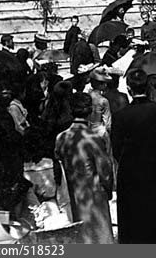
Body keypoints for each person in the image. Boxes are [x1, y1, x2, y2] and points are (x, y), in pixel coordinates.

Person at [112, 69, 156, 244]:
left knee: (135, 218)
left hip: (131, 171)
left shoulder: (121, 116)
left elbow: (116, 148)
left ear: (129, 89)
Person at [54, 92, 114, 243]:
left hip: (73, 192)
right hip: (94, 193)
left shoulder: (61, 137)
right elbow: (105, 170)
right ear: (90, 111)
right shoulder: (93, 138)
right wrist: (108, 189)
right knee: (101, 238)